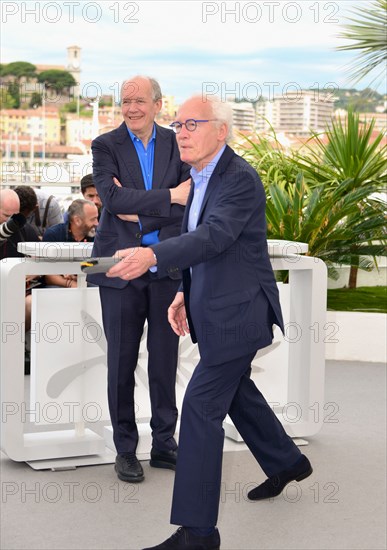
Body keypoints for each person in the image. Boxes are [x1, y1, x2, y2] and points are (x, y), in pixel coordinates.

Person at [106, 95, 313, 550]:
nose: (180, 131)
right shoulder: (198, 177)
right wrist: (184, 290)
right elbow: (205, 243)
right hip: (213, 305)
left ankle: (198, 533)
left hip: (240, 313)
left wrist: (153, 256)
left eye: (192, 124)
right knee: (236, 391)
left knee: (200, 408)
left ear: (220, 130)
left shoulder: (238, 178)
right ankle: (286, 461)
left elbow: (216, 233)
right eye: (178, 124)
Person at [87, 75, 191, 484]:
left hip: (165, 266)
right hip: (117, 268)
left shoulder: (177, 143)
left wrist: (141, 210)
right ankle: (125, 450)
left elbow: (191, 203)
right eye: (125, 101)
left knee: (166, 362)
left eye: (139, 101)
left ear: (158, 104)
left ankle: (165, 444)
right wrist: (170, 196)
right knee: (121, 363)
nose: (131, 108)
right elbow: (112, 201)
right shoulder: (104, 145)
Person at [43, 198, 98, 288]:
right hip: (58, 284)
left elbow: (96, 267)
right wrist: (71, 283)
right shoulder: (54, 235)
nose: (97, 223)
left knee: (99, 289)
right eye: (93, 219)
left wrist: (77, 274)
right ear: (77, 220)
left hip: (85, 279)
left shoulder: (96, 236)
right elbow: (48, 276)